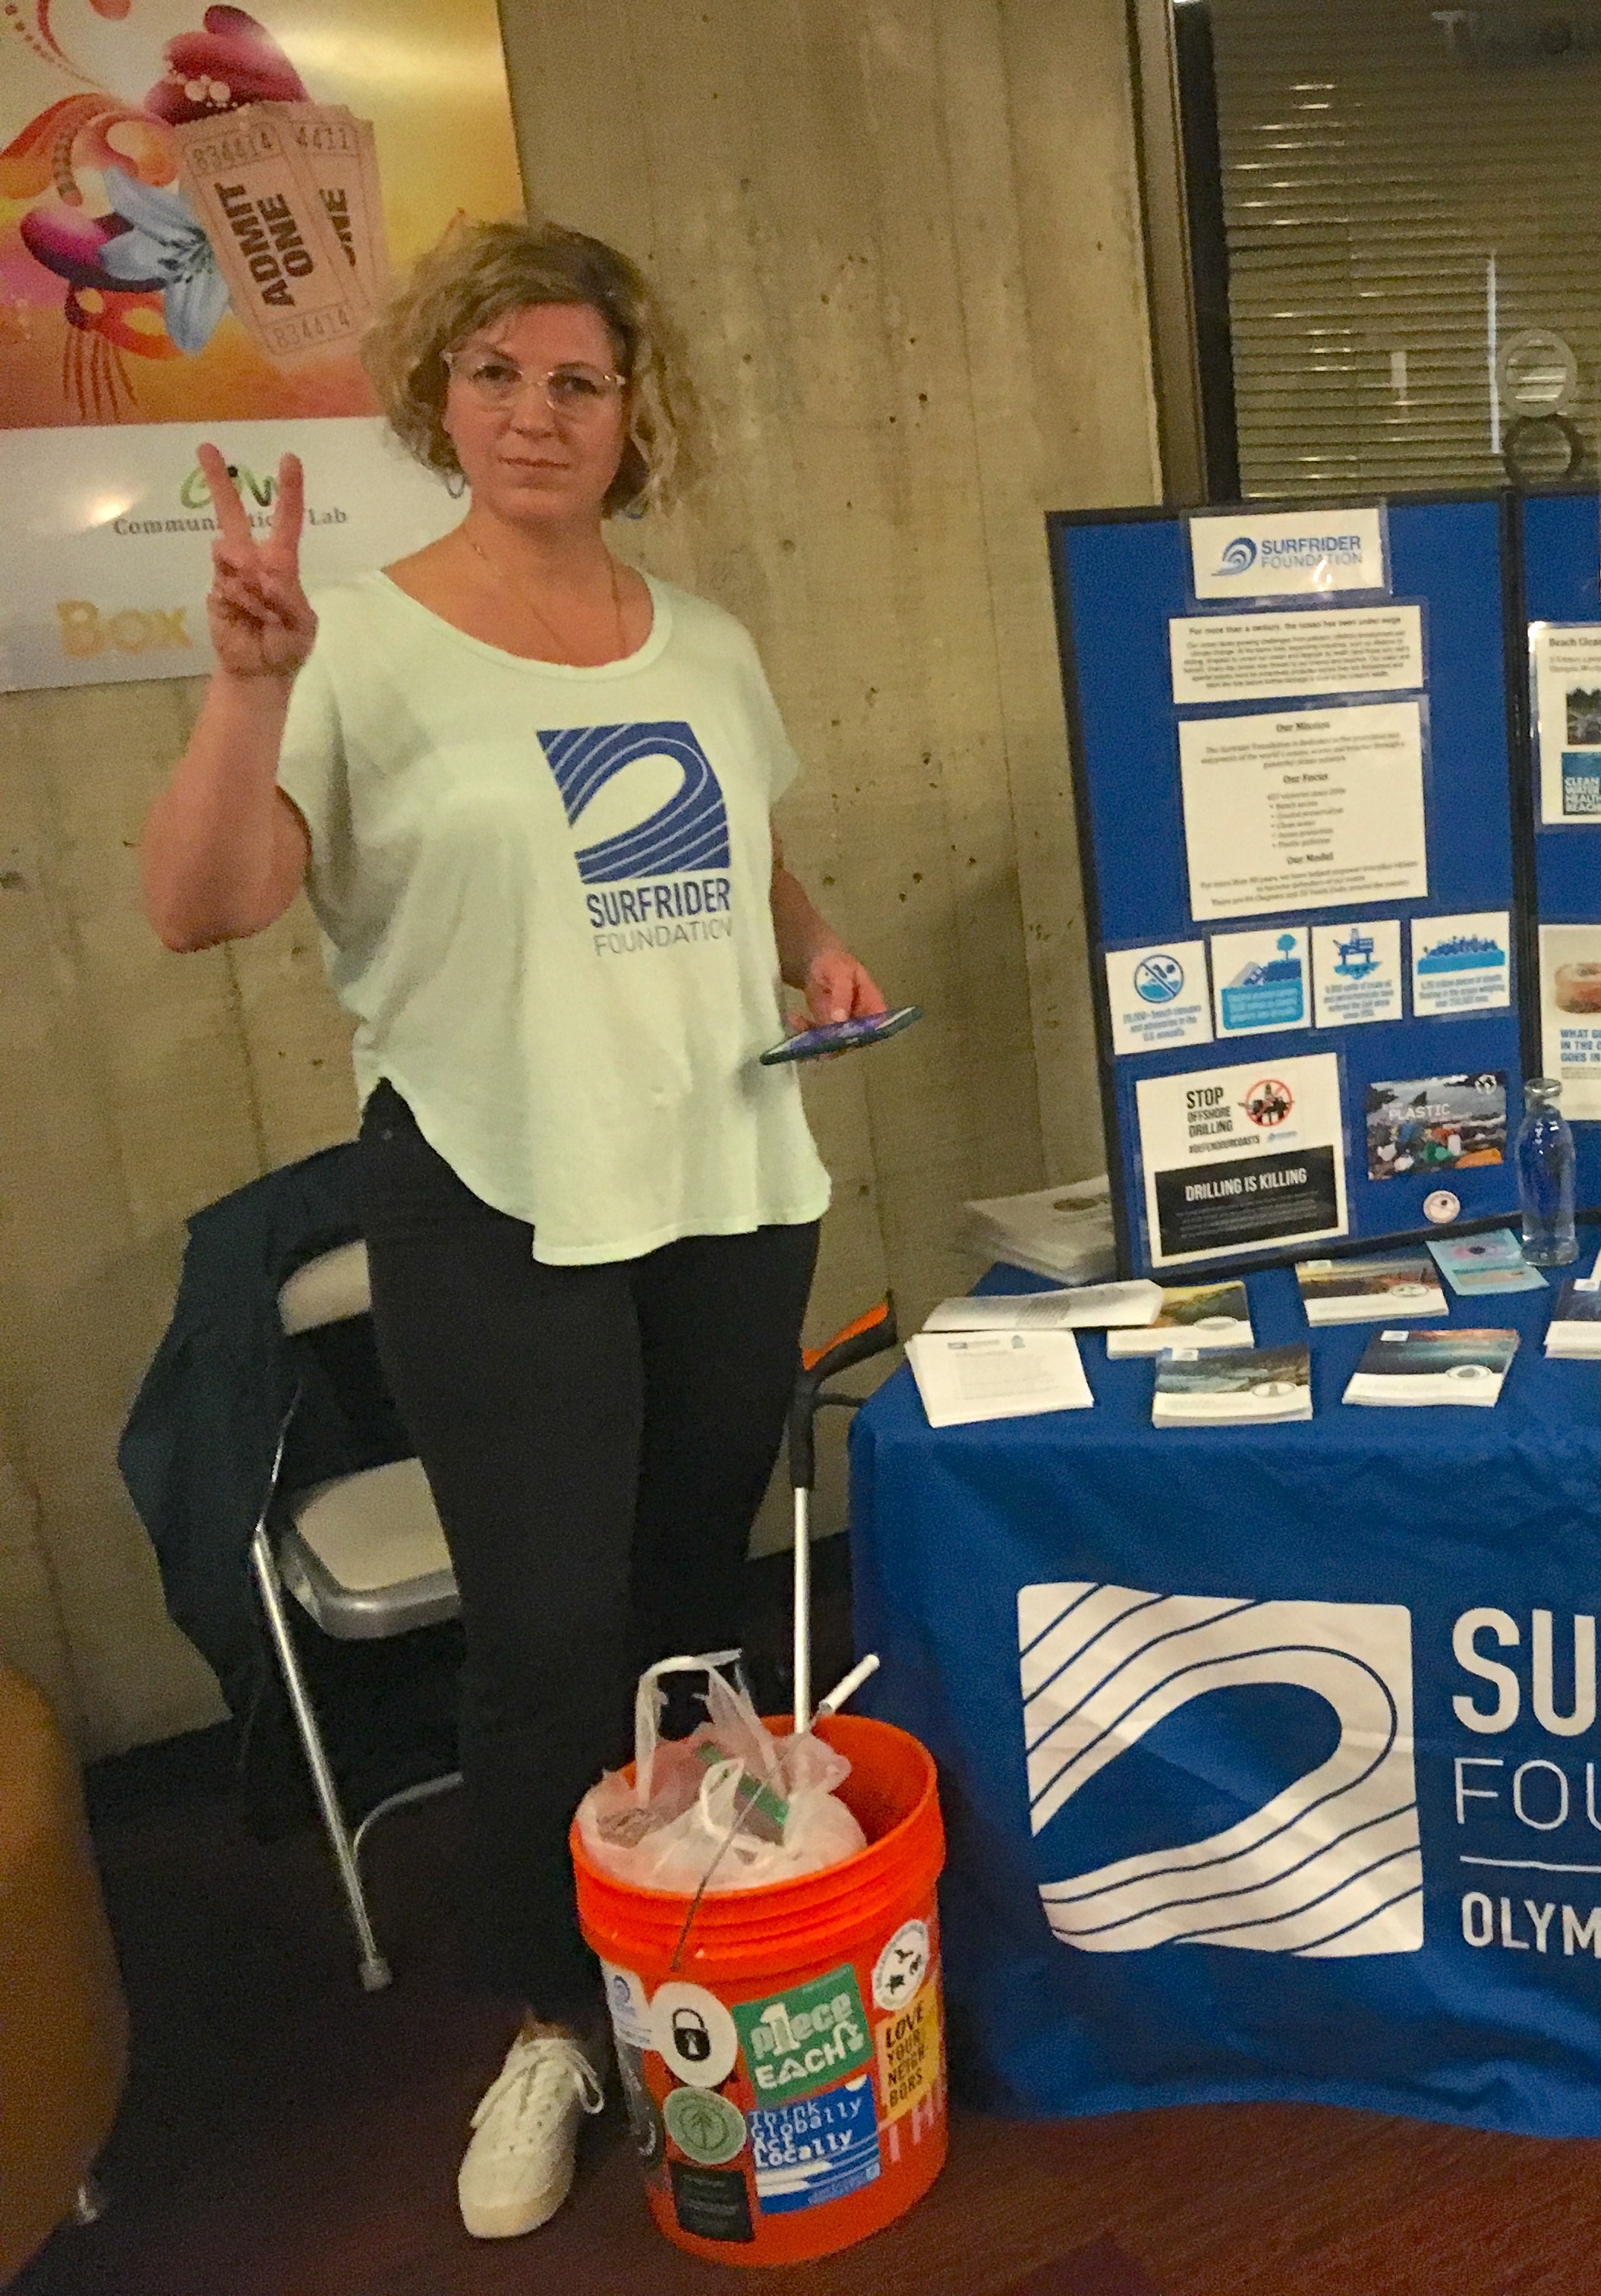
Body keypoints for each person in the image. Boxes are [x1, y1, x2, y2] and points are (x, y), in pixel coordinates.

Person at [137, 219, 887, 2242]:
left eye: (577, 380)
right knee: (546, 1638)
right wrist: (239, 687)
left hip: (726, 1183)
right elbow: (200, 903)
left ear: (632, 413)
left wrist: (811, 945)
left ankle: (693, 1960)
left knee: (683, 1596)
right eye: (497, 376)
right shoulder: (356, 641)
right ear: (438, 398)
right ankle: (553, 2026)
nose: (536, 413)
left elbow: (744, 839)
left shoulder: (701, 633)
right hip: (492, 1190)